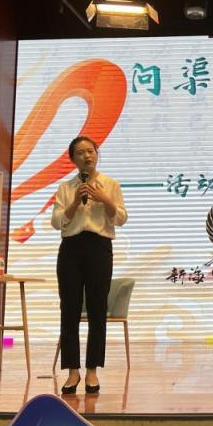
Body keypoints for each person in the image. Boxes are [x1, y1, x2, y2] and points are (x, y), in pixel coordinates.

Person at [50, 136, 127, 395]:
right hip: (71, 249)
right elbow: (56, 222)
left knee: (97, 309)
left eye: (90, 151)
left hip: (99, 248)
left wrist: (105, 199)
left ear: (96, 154)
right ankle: (73, 371)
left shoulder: (111, 185)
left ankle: (92, 369)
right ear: (73, 159)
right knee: (69, 309)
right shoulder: (65, 188)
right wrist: (74, 202)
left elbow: (121, 219)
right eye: (81, 153)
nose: (87, 156)